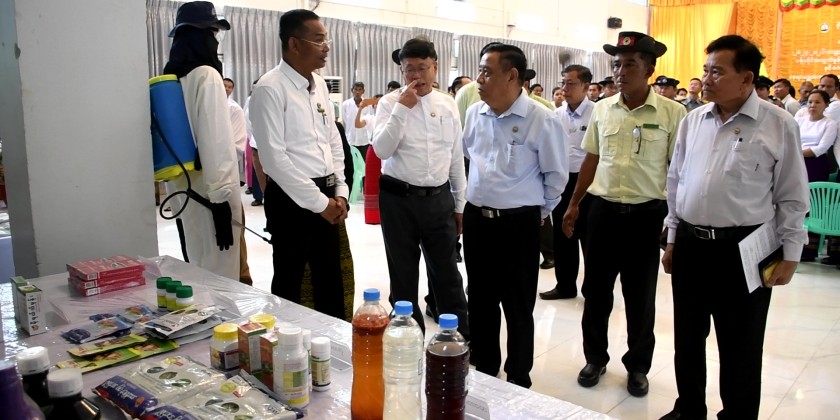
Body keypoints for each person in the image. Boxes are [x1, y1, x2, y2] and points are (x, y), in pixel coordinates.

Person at [659, 34, 809, 420]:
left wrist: (791, 254)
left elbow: (792, 195)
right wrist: (673, 237)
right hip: (691, 243)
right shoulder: (694, 120)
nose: (706, 79)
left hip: (744, 249)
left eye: (717, 72)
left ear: (746, 78)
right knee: (687, 338)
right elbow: (676, 182)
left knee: (741, 344)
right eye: (705, 70)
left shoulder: (778, 124)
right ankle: (689, 409)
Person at [562, 31, 686, 397]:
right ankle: (595, 358)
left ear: (649, 69)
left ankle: (638, 366)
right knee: (596, 292)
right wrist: (574, 203)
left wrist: (674, 223)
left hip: (647, 216)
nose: (620, 71)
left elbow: (678, 172)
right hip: (602, 213)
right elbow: (592, 158)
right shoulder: (603, 108)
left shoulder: (673, 113)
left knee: (639, 297)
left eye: (630, 64)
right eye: (616, 64)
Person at [463, 43, 569, 388]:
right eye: (480, 70)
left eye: (487, 72)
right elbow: (469, 157)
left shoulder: (541, 119)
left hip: (518, 224)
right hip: (477, 219)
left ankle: (519, 377)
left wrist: (537, 212)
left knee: (518, 303)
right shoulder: (475, 113)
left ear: (512, 76)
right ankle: (486, 369)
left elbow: (556, 177)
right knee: (480, 300)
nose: (479, 79)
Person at [249, 9, 349, 319]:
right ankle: (286, 342)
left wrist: (340, 190)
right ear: (294, 43)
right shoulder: (269, 88)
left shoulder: (319, 84)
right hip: (290, 199)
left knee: (329, 278)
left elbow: (332, 139)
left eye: (326, 39)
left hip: (328, 194)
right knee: (289, 279)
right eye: (319, 40)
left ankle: (334, 342)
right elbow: (274, 159)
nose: (326, 47)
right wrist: (319, 203)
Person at [372, 37, 470, 338]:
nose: (416, 75)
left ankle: (460, 338)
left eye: (423, 68)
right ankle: (408, 339)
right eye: (409, 69)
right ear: (402, 71)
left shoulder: (447, 103)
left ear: (435, 67)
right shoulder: (390, 103)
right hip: (398, 199)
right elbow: (382, 150)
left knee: (447, 272)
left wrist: (460, 204)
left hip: (438, 199)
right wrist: (402, 109)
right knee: (403, 273)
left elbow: (455, 157)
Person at [163, 1, 241, 280]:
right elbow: (215, 139)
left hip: (184, 190)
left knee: (196, 262)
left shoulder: (171, 79)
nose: (215, 39)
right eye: (212, 33)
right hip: (212, 193)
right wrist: (220, 198)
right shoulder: (206, 75)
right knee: (221, 273)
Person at [540, 64, 594, 301]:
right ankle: (565, 285)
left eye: (571, 84)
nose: (565, 88)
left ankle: (593, 289)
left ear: (585, 86)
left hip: (590, 184)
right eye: (563, 83)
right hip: (562, 181)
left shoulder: (596, 113)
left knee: (590, 238)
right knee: (563, 236)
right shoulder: (556, 114)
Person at [223, 76, 252, 285]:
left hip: (226, 178)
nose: (226, 89)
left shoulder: (234, 109)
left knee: (235, 231)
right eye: (223, 85)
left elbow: (237, 148)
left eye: (229, 87)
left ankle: (243, 279)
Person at [357, 95, 383, 225]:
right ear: (373, 105)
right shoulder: (370, 118)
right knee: (371, 183)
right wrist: (360, 110)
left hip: (388, 152)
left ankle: (386, 214)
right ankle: (372, 216)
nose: (379, 105)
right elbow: (357, 124)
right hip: (373, 150)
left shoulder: (391, 118)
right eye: (377, 103)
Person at [342, 81, 370, 159]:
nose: (357, 92)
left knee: (364, 162)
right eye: (355, 89)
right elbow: (345, 120)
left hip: (364, 140)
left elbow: (369, 121)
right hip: (350, 139)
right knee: (351, 162)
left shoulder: (367, 104)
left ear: (363, 91)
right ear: (352, 90)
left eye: (360, 89)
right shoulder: (346, 104)